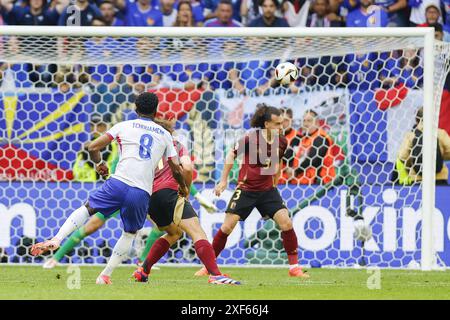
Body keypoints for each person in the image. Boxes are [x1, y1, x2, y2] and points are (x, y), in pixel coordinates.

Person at [30, 92, 190, 285]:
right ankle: (105, 275)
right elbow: (175, 168)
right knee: (129, 233)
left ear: (135, 109)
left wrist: (99, 164)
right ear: (156, 111)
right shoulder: (164, 135)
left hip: (118, 183)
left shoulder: (124, 126)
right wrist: (183, 187)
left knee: (87, 209)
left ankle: (57, 238)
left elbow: (92, 147)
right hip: (141, 192)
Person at [194, 104, 309, 278]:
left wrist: (275, 184)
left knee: (286, 223)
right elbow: (232, 154)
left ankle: (294, 268)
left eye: (282, 123)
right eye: (277, 124)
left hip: (267, 190)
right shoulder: (251, 138)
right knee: (227, 227)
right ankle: (208, 266)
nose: (281, 127)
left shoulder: (283, 141)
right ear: (267, 124)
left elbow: (277, 163)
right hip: (246, 190)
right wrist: (223, 180)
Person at [131, 118, 240, 285]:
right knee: (197, 232)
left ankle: (143, 270)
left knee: (174, 233)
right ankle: (216, 275)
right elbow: (187, 167)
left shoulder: (145, 149)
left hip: (147, 197)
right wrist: (186, 189)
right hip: (169, 192)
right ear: (169, 133)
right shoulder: (176, 145)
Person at [396, 107, 450, 185]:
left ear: (416, 120)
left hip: (417, 179)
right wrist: (440, 156)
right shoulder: (441, 133)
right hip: (439, 178)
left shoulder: (411, 135)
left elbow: (402, 157)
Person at [287, 109, 336, 185]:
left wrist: (296, 171)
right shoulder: (302, 138)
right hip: (301, 183)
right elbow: (289, 155)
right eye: (304, 121)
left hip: (320, 185)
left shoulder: (321, 138)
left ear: (317, 123)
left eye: (309, 121)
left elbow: (312, 159)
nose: (306, 124)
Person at [72, 114, 119, 182]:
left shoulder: (109, 144)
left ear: (105, 127)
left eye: (99, 125)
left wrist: (85, 150)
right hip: (81, 182)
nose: (95, 128)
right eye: (92, 125)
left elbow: (98, 163)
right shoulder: (88, 143)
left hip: (99, 182)